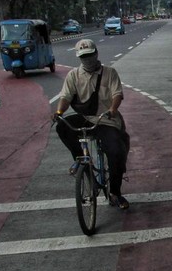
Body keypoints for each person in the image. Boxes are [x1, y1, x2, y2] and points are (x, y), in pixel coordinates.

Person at [52, 39, 130, 210]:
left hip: (106, 119)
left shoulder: (110, 73)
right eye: (84, 57)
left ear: (96, 53)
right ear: (79, 57)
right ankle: (83, 163)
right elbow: (65, 97)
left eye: (90, 55)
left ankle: (115, 193)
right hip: (85, 118)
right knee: (62, 127)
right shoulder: (73, 75)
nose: (87, 59)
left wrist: (113, 109)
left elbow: (117, 93)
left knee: (116, 151)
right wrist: (59, 113)